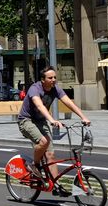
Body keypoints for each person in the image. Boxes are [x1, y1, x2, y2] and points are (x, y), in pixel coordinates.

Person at [17, 67, 91, 196]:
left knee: (50, 155)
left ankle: (57, 186)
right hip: (26, 121)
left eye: (55, 77)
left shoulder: (55, 88)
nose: (53, 80)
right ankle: (34, 166)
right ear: (42, 79)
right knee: (43, 141)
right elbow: (39, 105)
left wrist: (83, 116)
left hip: (41, 121)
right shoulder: (35, 88)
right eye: (50, 78)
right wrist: (52, 120)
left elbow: (68, 102)